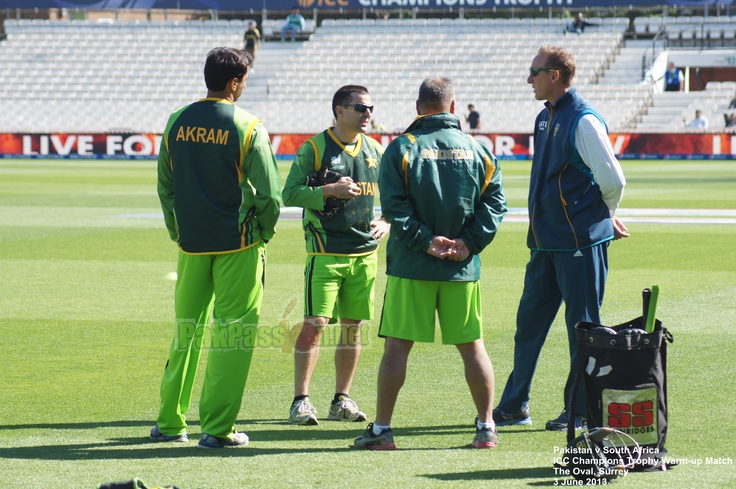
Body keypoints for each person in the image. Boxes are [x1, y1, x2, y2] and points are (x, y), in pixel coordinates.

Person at [353, 78, 507, 450]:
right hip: (461, 268)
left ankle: (382, 431)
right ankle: (486, 428)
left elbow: (394, 209)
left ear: (418, 107)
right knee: (473, 347)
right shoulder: (478, 149)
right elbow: (496, 205)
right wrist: (467, 244)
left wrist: (427, 242)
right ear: (454, 108)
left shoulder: (402, 148)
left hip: (412, 266)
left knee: (396, 349)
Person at [151, 47, 282, 449]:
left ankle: (170, 424)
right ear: (234, 83)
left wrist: (179, 230)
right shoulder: (248, 126)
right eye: (244, 80)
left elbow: (165, 186)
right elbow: (271, 196)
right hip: (238, 245)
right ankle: (217, 429)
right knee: (232, 335)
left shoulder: (176, 120)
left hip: (191, 246)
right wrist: (262, 231)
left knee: (185, 332)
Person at [493, 44, 629, 432]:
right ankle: (515, 405)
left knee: (583, 331)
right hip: (545, 243)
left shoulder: (583, 119)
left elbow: (613, 179)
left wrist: (607, 216)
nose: (528, 78)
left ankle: (582, 410)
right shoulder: (544, 116)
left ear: (554, 76)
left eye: (534, 71)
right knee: (528, 327)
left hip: (578, 244)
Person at [282, 85, 389, 426]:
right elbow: (290, 193)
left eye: (370, 107)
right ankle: (301, 401)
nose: (367, 114)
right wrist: (329, 190)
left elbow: (397, 195)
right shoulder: (314, 148)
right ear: (340, 110)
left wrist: (386, 220)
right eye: (360, 108)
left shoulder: (375, 149)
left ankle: (341, 399)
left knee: (353, 329)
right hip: (325, 252)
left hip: (365, 254)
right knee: (315, 325)